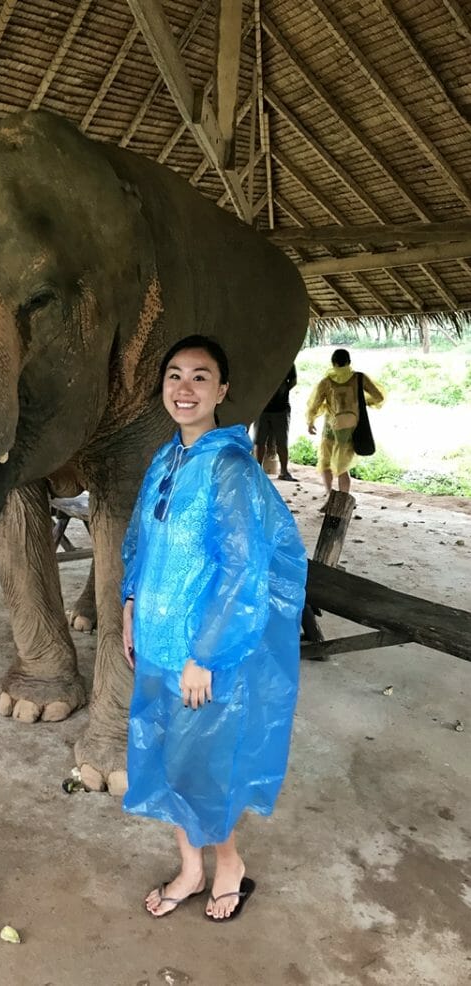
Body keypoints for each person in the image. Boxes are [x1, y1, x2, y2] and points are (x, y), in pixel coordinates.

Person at [121, 335, 307, 922]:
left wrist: (206, 653)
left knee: (200, 767)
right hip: (152, 641)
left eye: (200, 377)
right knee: (167, 762)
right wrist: (129, 601)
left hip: (198, 656)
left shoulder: (230, 467)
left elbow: (243, 569)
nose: (184, 387)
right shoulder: (166, 458)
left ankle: (229, 866)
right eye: (174, 375)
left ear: (222, 391)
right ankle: (191, 868)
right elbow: (140, 541)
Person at [305, 348, 384, 507]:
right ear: (349, 362)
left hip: (330, 428)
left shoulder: (326, 382)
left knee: (325, 463)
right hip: (350, 429)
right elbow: (378, 396)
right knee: (343, 467)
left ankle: (329, 497)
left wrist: (311, 421)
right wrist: (361, 402)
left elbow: (314, 404)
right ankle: (342, 502)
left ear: (333, 363)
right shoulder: (359, 378)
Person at [252, 364, 297, 480]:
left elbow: (293, 380)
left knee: (281, 442)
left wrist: (281, 391)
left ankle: (283, 471)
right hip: (264, 407)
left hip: (279, 407)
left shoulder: (287, 362)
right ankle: (259, 470)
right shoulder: (262, 361)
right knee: (260, 441)